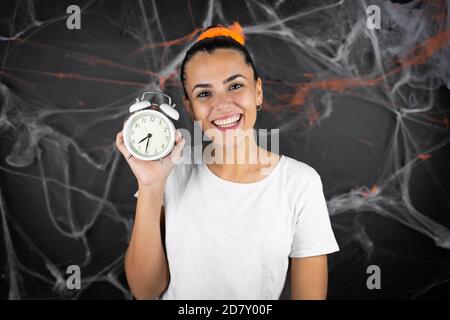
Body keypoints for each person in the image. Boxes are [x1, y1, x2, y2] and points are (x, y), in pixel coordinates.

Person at [115, 23, 339, 300]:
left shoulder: (299, 183)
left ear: (257, 91)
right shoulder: (170, 170)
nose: (222, 105)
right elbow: (145, 291)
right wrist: (150, 185)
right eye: (204, 93)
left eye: (235, 86)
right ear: (190, 107)